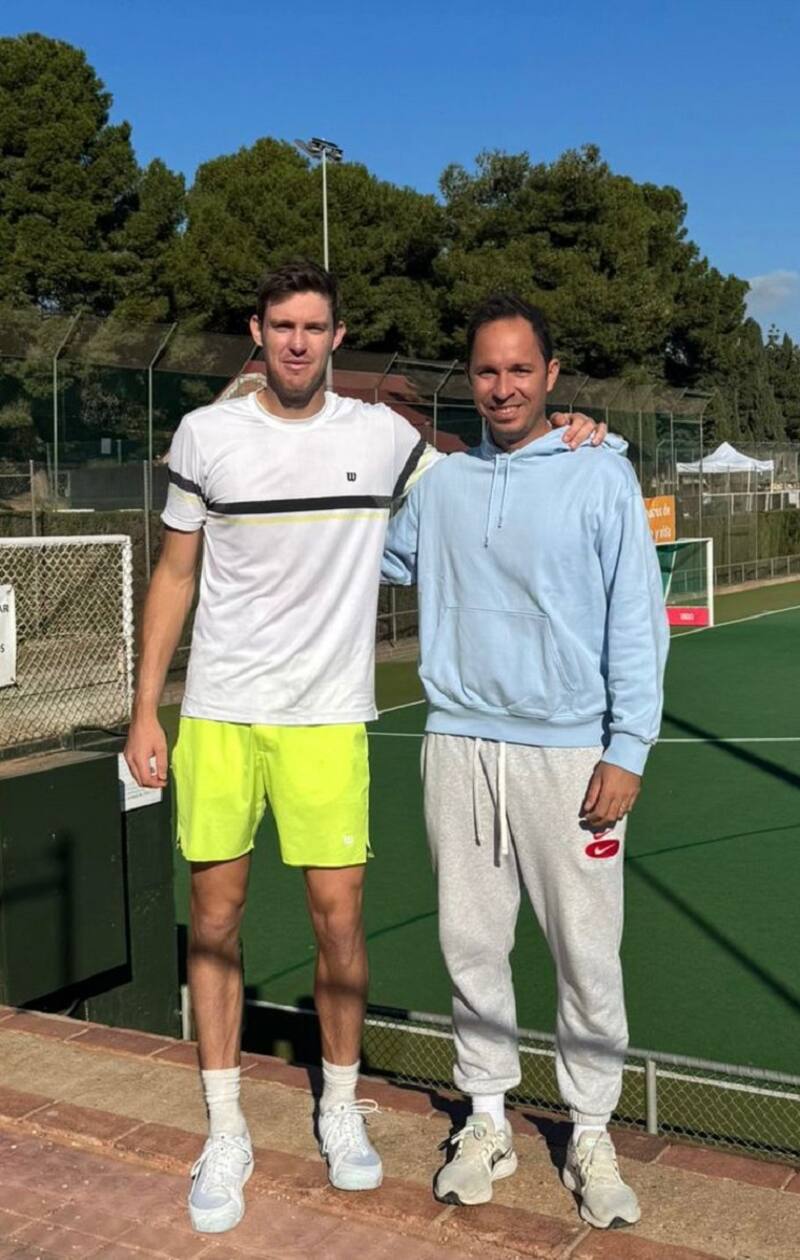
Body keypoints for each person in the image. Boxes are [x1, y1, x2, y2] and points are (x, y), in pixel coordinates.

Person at [124, 263, 605, 1235]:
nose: (297, 341)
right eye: (281, 325)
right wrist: (146, 710)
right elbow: (175, 574)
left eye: (315, 327)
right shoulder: (206, 434)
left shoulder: (380, 438)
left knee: (338, 924)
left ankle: (339, 1111)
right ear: (255, 331)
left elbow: (486, 468)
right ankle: (226, 1128)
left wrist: (582, 436)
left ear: (338, 338)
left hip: (328, 722)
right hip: (219, 718)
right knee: (213, 921)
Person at [381, 294, 669, 1230]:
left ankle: (590, 1130)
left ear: (550, 377)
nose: (502, 387)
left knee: (587, 954)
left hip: (572, 758)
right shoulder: (444, 486)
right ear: (469, 381)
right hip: (458, 747)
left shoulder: (599, 474)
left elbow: (635, 616)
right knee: (471, 946)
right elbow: (368, 553)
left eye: (519, 370)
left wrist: (628, 748)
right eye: (486, 371)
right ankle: (489, 1119)